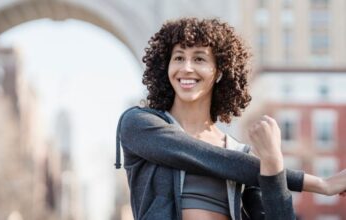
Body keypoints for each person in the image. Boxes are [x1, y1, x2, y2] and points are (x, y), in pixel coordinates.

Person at [115, 17, 346, 220]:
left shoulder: (238, 151)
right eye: (178, 58)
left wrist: (273, 164)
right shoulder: (140, 124)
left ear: (219, 72)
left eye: (199, 59)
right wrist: (321, 185)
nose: (186, 68)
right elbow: (211, 158)